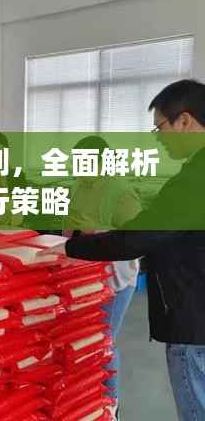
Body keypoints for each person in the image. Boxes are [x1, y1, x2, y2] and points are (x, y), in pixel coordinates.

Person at [37, 79, 205, 421]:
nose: (157, 138)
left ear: (185, 121)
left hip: (188, 313)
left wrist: (71, 245)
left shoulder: (188, 180)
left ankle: (109, 405)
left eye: (159, 127)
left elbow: (136, 237)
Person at [65, 135, 142, 420]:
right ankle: (89, 397)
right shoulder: (78, 186)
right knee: (86, 338)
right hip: (85, 276)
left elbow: (135, 239)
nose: (77, 170)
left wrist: (94, 230)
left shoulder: (121, 192)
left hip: (115, 279)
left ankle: (111, 403)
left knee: (103, 341)